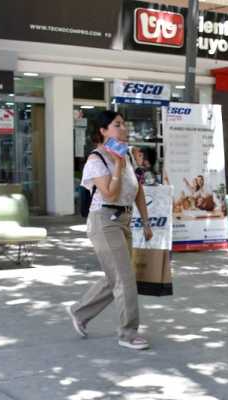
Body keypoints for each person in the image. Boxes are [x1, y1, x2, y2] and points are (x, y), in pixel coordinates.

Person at [66, 110, 154, 350]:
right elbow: (110, 193)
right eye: (117, 125)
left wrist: (146, 222)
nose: (123, 129)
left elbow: (138, 190)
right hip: (104, 220)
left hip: (124, 219)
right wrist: (117, 165)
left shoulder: (129, 157)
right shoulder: (97, 160)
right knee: (125, 278)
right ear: (103, 131)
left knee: (116, 276)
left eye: (124, 124)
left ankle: (80, 312)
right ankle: (128, 333)